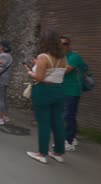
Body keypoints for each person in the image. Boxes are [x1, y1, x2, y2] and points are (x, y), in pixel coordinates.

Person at [24, 30, 67, 164]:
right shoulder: (63, 57)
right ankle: (58, 153)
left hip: (44, 91)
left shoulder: (43, 56)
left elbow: (40, 78)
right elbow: (57, 74)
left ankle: (41, 153)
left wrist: (31, 72)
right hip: (59, 90)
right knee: (58, 123)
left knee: (44, 123)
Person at [61, 36, 84, 151]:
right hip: (63, 90)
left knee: (67, 116)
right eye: (60, 44)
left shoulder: (74, 57)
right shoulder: (61, 57)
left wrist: (47, 67)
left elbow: (66, 70)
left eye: (65, 44)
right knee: (70, 116)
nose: (62, 46)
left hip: (72, 91)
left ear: (69, 45)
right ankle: (72, 137)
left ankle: (68, 142)